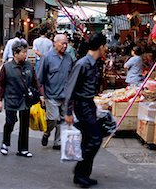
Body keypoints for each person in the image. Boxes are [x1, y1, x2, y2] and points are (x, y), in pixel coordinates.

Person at [65, 33, 107, 188]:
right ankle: (80, 172)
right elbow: (70, 89)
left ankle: (81, 175)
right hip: (82, 107)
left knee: (88, 140)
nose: (106, 49)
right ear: (101, 46)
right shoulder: (82, 64)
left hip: (89, 105)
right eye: (105, 46)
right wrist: (68, 112)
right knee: (95, 139)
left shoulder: (94, 63)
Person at [0, 40, 42, 157]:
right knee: (10, 122)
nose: (25, 55)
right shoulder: (6, 67)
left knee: (24, 124)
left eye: (26, 52)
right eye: (23, 52)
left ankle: (23, 149)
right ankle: (5, 143)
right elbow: (1, 84)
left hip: (25, 99)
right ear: (15, 54)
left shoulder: (28, 66)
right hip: (11, 98)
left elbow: (35, 81)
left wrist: (41, 95)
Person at [36, 34, 73, 150]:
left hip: (65, 95)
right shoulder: (47, 57)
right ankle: (47, 132)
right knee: (53, 118)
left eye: (66, 43)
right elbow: (40, 77)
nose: (65, 46)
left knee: (62, 119)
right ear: (55, 43)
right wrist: (41, 94)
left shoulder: (68, 58)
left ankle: (57, 141)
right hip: (51, 94)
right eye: (62, 43)